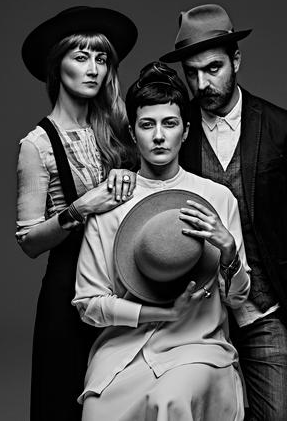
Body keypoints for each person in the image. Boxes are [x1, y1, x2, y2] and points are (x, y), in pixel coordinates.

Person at [160, 4, 287, 421]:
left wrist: (264, 257)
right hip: (194, 313)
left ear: (236, 60)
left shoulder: (282, 127)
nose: (202, 83)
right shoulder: (174, 128)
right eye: (192, 73)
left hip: (262, 308)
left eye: (213, 68)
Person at [72, 62, 251, 420]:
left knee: (172, 399)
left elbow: (237, 299)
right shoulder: (111, 203)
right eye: (147, 125)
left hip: (197, 345)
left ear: (186, 131)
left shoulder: (217, 198)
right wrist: (162, 313)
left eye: (169, 124)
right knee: (97, 409)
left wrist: (228, 249)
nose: (158, 136)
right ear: (132, 132)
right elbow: (89, 303)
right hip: (124, 350)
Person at [17, 6, 139, 421]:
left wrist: (131, 171)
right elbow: (29, 242)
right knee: (64, 402)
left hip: (126, 283)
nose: (93, 69)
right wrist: (79, 209)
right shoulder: (36, 144)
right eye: (81, 57)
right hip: (68, 290)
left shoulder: (120, 128)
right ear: (58, 66)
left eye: (101, 59)